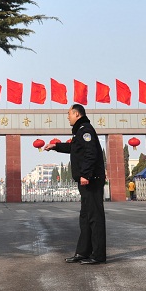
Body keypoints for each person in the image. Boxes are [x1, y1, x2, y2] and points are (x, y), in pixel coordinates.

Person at [44, 104, 106, 265]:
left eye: (69, 114)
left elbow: (91, 153)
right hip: (86, 180)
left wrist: (86, 174)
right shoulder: (80, 131)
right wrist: (56, 146)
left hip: (91, 180)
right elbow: (74, 148)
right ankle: (83, 252)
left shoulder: (86, 130)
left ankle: (98, 255)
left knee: (95, 217)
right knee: (85, 218)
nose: (68, 117)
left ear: (77, 114)